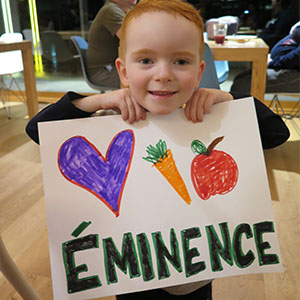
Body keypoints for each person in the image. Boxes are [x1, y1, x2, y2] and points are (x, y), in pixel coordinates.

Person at [26, 0, 289, 298]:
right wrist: (94, 101)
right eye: (146, 60)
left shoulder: (208, 116)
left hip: (196, 264)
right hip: (131, 266)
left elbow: (275, 133)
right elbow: (39, 130)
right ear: (123, 72)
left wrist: (226, 98)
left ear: (200, 70)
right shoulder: (110, 120)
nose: (163, 74)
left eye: (180, 61)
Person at [230, 24, 300, 95]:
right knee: (238, 78)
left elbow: (296, 57)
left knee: (240, 87)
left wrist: (272, 63)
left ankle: (255, 106)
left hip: (294, 72)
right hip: (283, 66)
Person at [86, 0, 137, 89]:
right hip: (103, 72)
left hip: (112, 68)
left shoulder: (122, 10)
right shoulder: (110, 10)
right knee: (147, 76)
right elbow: (133, 39)